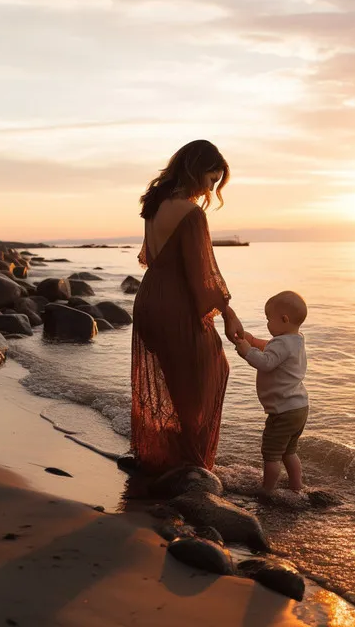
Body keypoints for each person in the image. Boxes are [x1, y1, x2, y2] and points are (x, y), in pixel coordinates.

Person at [131, 140, 244, 474]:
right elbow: (203, 274)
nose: (210, 189)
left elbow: (151, 258)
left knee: (181, 383)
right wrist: (229, 313)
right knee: (210, 373)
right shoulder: (191, 214)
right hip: (174, 306)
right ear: (196, 172)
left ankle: (172, 458)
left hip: (149, 300)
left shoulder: (154, 203)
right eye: (211, 180)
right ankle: (194, 465)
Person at [234, 291, 308, 493]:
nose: (267, 323)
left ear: (284, 319)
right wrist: (253, 340)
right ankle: (296, 486)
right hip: (299, 408)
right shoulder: (296, 340)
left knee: (271, 454)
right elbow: (269, 348)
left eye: (269, 319)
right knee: (289, 452)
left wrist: (247, 351)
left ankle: (267, 490)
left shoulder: (281, 343)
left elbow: (266, 362)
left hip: (283, 411)